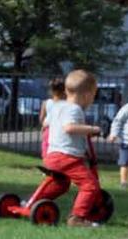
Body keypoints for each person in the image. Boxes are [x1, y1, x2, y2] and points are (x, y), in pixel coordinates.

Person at [35, 69, 104, 225]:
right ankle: (77, 217)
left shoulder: (57, 106)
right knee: (90, 185)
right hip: (67, 158)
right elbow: (69, 128)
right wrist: (93, 129)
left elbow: (46, 124)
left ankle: (34, 204)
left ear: (66, 90)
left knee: (61, 184)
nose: (92, 100)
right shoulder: (75, 109)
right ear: (87, 95)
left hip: (52, 156)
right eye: (93, 96)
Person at [107, 84, 128, 189]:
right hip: (127, 142)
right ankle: (124, 182)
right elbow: (117, 122)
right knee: (124, 163)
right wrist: (114, 134)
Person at [39, 75, 65, 159]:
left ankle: (47, 164)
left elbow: (42, 118)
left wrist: (43, 124)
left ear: (51, 90)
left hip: (48, 128)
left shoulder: (46, 103)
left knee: (46, 148)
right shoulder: (66, 104)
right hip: (59, 129)